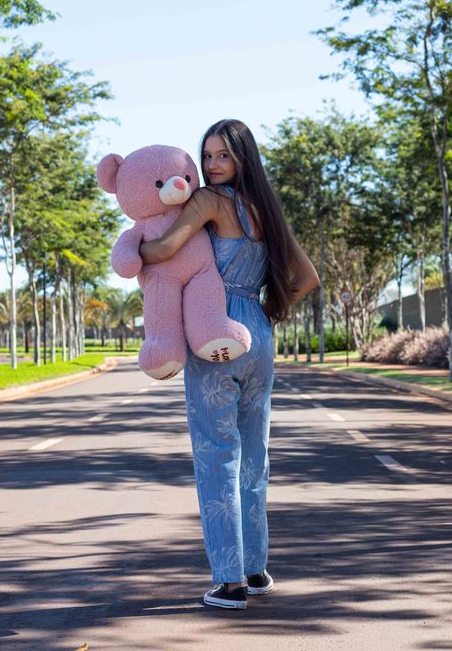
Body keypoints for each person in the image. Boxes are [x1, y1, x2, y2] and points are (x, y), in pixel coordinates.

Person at [138, 119, 319, 610]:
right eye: (208, 155)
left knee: (216, 454)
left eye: (223, 155)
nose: (213, 164)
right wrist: (269, 309)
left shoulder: (208, 201)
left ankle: (230, 581)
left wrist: (134, 248)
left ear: (242, 158)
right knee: (254, 453)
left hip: (215, 331)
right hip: (258, 331)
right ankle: (256, 569)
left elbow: (165, 249)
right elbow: (307, 277)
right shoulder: (266, 208)